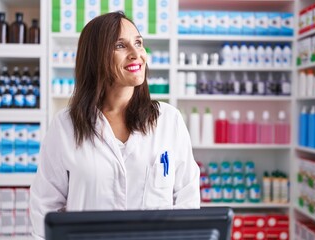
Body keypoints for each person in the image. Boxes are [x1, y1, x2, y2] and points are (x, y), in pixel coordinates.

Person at [29, 11, 200, 240]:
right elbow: (44, 210)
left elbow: (187, 202)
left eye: (138, 43)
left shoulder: (169, 120)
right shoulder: (65, 126)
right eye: (120, 45)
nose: (136, 54)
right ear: (96, 56)